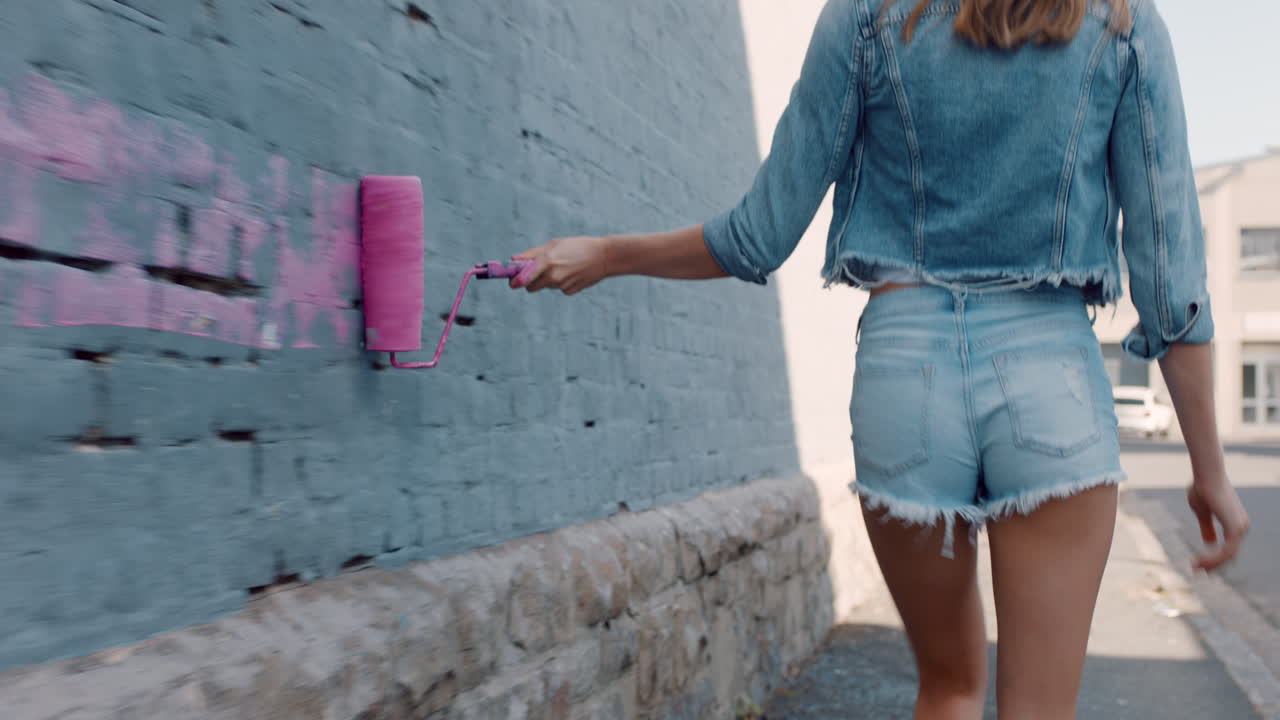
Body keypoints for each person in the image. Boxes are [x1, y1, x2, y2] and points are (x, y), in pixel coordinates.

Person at [511, 0, 1251, 717]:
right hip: (1048, 376)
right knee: (1039, 710)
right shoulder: (1122, 24)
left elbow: (755, 236)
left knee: (949, 689)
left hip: (905, 377)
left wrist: (606, 255)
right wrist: (1209, 471)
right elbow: (1170, 283)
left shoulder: (867, 15)